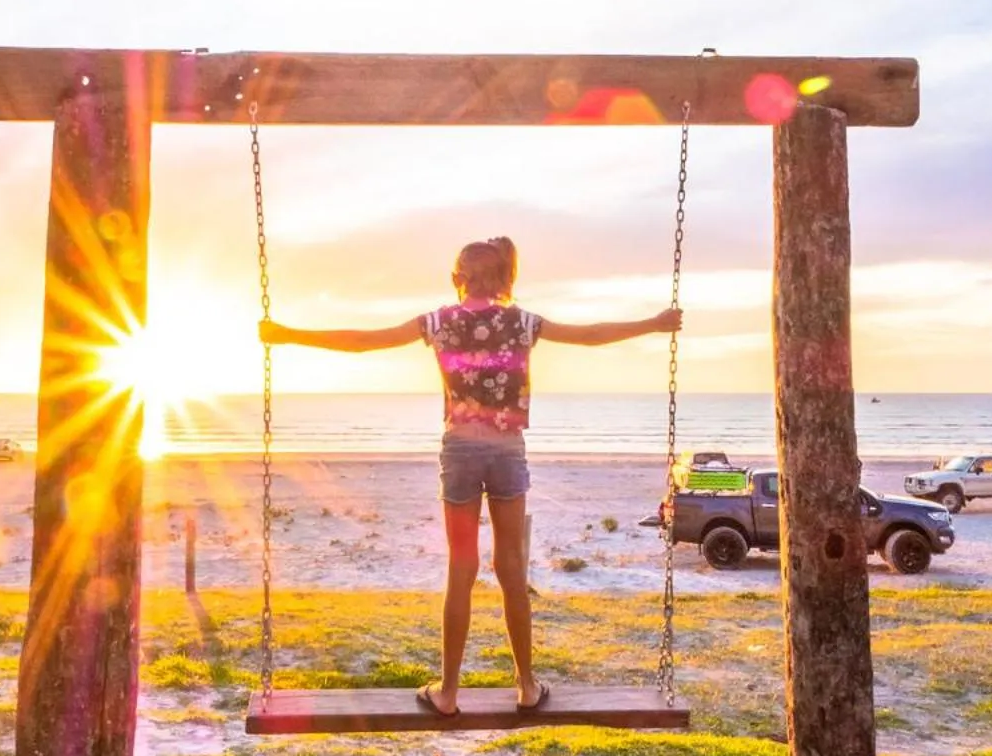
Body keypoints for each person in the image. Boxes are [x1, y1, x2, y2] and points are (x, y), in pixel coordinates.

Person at [260, 236, 680, 715]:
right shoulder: (522, 322)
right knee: (511, 569)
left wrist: (288, 334)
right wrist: (656, 323)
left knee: (461, 569)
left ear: (458, 279)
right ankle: (525, 686)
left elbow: (363, 342)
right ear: (503, 278)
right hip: (506, 452)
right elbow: (590, 334)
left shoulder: (438, 322)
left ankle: (449, 694)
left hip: (459, 449)